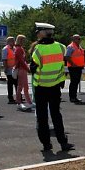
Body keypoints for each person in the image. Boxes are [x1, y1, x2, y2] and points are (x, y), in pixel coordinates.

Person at [30, 22, 74, 153]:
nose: (37, 34)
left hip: (41, 87)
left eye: (38, 32)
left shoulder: (38, 49)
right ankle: (63, 142)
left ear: (43, 33)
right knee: (56, 115)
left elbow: (33, 68)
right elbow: (62, 65)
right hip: (55, 86)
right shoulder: (61, 47)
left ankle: (46, 144)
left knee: (42, 117)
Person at [64, 34, 85, 103]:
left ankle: (74, 97)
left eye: (80, 39)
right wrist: (73, 64)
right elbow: (67, 56)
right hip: (73, 68)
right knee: (73, 82)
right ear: (73, 39)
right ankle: (72, 97)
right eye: (77, 39)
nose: (79, 40)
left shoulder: (79, 47)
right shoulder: (70, 47)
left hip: (79, 67)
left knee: (76, 82)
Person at [14, 34, 33, 110]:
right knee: (21, 86)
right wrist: (27, 68)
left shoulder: (19, 48)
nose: (24, 42)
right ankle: (19, 102)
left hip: (22, 69)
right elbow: (21, 61)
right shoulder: (18, 49)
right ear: (20, 40)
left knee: (24, 86)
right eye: (23, 40)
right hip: (21, 69)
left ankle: (29, 102)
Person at [1, 36, 17, 104]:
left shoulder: (14, 48)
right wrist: (5, 68)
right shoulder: (5, 49)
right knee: (10, 84)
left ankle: (19, 97)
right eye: (13, 41)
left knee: (17, 84)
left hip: (15, 69)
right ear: (9, 42)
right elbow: (4, 60)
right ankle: (10, 98)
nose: (14, 42)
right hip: (9, 69)